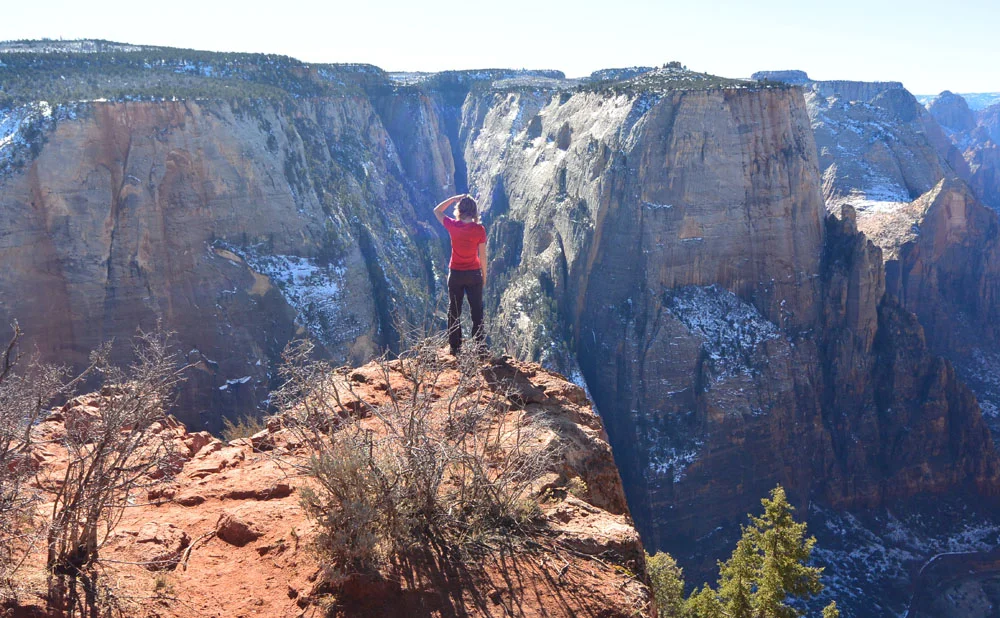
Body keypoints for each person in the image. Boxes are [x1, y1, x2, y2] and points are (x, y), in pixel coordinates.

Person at [434, 194, 487, 355]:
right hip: (473, 274)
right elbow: (483, 256)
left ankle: (455, 347)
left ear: (459, 210)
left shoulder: (453, 225)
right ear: (475, 212)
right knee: (476, 311)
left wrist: (453, 198)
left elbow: (437, 210)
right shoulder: (479, 230)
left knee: (454, 311)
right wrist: (484, 276)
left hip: (456, 274)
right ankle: (480, 348)